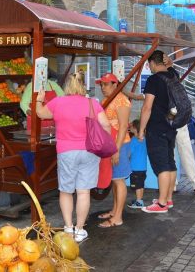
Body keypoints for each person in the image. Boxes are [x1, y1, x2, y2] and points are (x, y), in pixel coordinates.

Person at [35, 72, 111, 242]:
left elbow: (40, 113)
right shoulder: (93, 103)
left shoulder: (58, 102)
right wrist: (102, 139)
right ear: (83, 85)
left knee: (66, 191)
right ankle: (79, 230)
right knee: (83, 192)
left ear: (66, 86)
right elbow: (106, 125)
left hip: (66, 152)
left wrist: (40, 99)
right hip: (90, 151)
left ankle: (68, 228)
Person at [124, 56, 195, 198]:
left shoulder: (162, 78)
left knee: (170, 158)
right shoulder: (172, 76)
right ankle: (182, 186)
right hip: (177, 122)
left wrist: (141, 130)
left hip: (169, 123)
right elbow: (141, 97)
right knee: (174, 156)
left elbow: (145, 103)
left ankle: (171, 194)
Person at [138, 50, 178, 213]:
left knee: (162, 166)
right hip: (171, 126)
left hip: (157, 127)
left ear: (152, 63)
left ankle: (161, 204)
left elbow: (147, 107)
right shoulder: (173, 75)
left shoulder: (153, 80)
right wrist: (170, 64)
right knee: (170, 162)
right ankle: (168, 199)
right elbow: (171, 67)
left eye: (149, 65)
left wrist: (141, 130)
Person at [95, 73, 131, 228]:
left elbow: (123, 126)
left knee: (119, 180)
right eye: (102, 84)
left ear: (115, 84)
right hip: (110, 145)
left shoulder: (122, 100)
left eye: (107, 84)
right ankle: (115, 210)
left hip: (119, 145)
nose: (103, 87)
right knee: (115, 179)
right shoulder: (106, 100)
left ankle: (118, 217)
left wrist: (116, 149)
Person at [127, 119, 147, 209]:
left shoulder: (134, 140)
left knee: (137, 186)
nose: (129, 128)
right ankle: (140, 200)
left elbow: (129, 153)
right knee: (141, 185)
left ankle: (139, 203)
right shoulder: (144, 139)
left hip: (135, 168)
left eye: (131, 126)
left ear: (135, 128)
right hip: (143, 167)